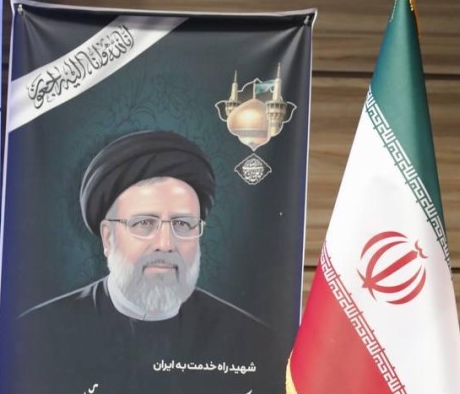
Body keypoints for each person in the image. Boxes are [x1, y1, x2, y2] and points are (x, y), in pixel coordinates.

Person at [15, 129, 269, 368]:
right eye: (144, 223)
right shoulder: (40, 334)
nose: (165, 244)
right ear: (108, 238)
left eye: (182, 224)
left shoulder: (248, 340)